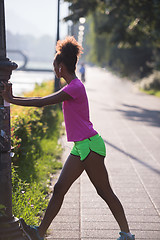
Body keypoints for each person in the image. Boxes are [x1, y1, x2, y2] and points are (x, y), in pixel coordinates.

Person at [1, 36, 135, 240]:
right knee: (59, 188)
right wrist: (12, 98)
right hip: (81, 146)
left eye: (55, 66)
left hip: (90, 146)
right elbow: (41, 101)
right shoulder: (73, 87)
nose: (54, 70)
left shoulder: (74, 88)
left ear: (60, 67)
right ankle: (39, 232)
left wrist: (11, 99)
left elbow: (40, 102)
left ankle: (127, 234)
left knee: (104, 191)